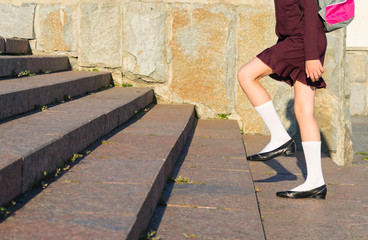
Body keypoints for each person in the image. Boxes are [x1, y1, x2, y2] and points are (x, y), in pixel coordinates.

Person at [237, 0, 327, 199]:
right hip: (302, 40)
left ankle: (280, 138)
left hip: (302, 42)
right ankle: (316, 182)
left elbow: (311, 10)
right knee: (304, 111)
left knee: (246, 75)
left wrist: (311, 56)